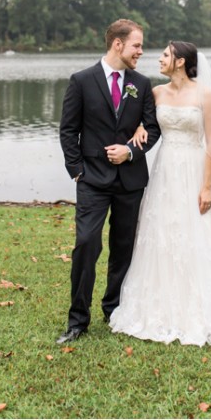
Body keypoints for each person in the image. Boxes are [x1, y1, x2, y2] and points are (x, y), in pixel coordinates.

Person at [108, 41, 211, 346]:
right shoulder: (156, 93)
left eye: (165, 54)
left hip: (194, 168)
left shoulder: (204, 93)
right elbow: (146, 124)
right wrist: (138, 130)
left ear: (179, 61)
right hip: (165, 170)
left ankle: (201, 307)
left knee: (196, 232)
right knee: (164, 233)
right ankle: (162, 306)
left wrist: (206, 186)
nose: (159, 58)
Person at [57, 19, 161, 344]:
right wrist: (77, 171)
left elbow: (153, 128)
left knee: (123, 248)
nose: (141, 52)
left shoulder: (141, 84)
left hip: (130, 181)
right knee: (87, 243)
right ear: (118, 44)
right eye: (137, 46)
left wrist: (130, 151)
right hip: (92, 180)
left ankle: (114, 308)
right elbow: (68, 130)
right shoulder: (82, 81)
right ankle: (78, 320)